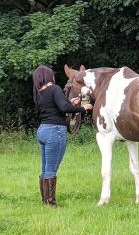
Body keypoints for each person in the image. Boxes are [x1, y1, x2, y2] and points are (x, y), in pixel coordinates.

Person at [32, 65, 93, 207]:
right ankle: (51, 203)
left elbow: (57, 107)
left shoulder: (39, 92)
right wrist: (83, 108)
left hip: (43, 130)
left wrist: (71, 102)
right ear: (49, 76)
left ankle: (44, 201)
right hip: (55, 131)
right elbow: (64, 109)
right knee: (51, 169)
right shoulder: (55, 89)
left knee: (45, 167)